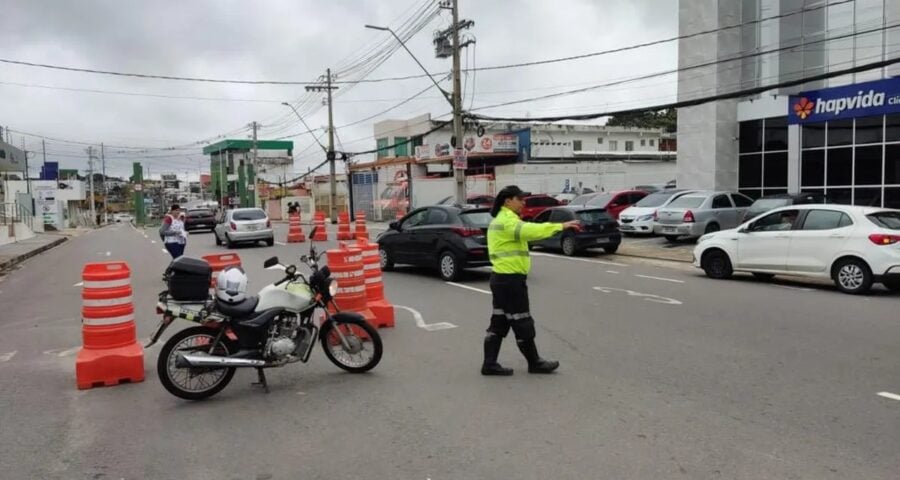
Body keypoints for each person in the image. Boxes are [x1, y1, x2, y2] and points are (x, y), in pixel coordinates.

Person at [482, 185, 581, 376]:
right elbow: (530, 231)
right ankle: (534, 362)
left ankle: (489, 364)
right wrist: (560, 226)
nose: (523, 202)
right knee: (522, 321)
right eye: (520, 199)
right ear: (508, 201)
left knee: (500, 321)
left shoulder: (502, 220)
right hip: (510, 280)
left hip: (501, 279)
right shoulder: (507, 221)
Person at [161, 205, 188, 278]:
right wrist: (175, 233)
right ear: (172, 211)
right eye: (175, 210)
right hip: (171, 242)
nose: (177, 212)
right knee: (178, 258)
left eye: (178, 210)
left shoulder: (181, 219)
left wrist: (184, 234)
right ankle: (177, 273)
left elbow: (182, 229)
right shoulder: (169, 219)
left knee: (178, 258)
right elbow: (162, 231)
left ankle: (169, 271)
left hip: (181, 241)